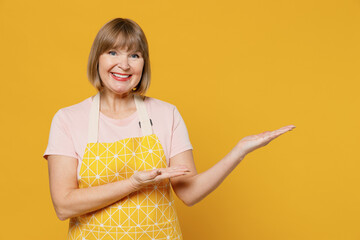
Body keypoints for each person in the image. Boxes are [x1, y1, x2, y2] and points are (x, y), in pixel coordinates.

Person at [43, 18, 296, 240]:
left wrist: (239, 151)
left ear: (143, 64)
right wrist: (133, 183)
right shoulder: (68, 119)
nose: (124, 64)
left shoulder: (166, 114)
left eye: (134, 55)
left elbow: (189, 192)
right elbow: (63, 205)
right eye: (112, 52)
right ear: (96, 58)